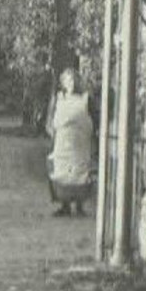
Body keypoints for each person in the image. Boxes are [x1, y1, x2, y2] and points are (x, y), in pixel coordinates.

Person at [46, 67, 96, 217]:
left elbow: (92, 118)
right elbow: (51, 118)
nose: (72, 82)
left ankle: (79, 206)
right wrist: (53, 133)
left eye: (74, 79)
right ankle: (64, 205)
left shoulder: (85, 99)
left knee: (79, 171)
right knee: (61, 171)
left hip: (80, 143)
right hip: (63, 142)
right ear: (63, 83)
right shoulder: (59, 98)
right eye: (68, 80)